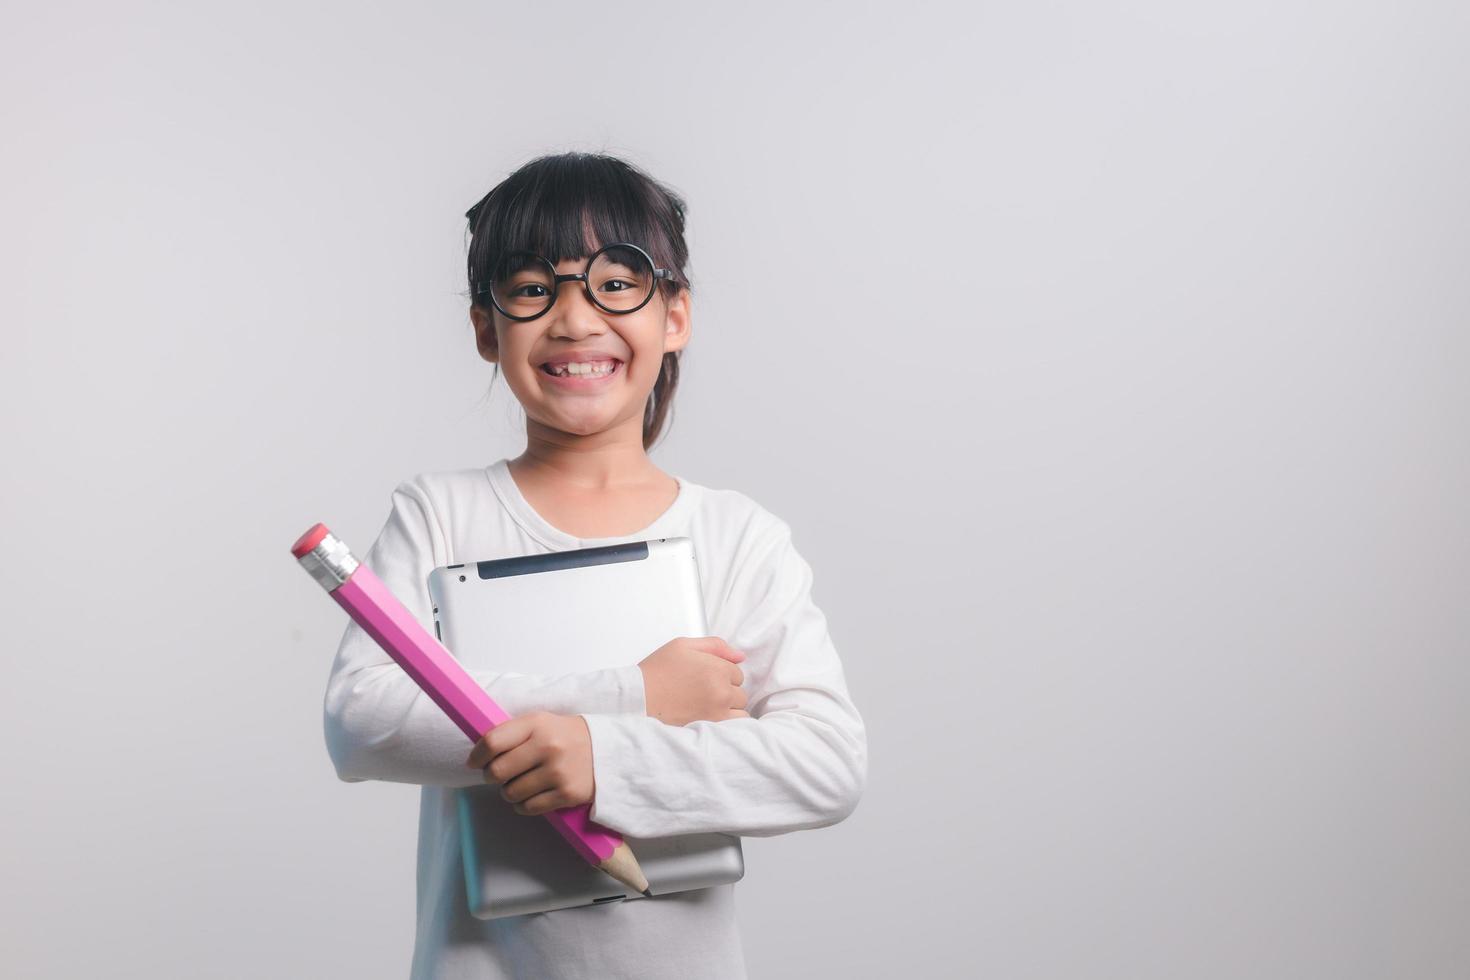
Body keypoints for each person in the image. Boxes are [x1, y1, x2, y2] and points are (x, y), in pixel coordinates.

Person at [322, 151, 868, 980]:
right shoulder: (440, 515)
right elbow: (361, 721)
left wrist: (602, 757)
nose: (575, 320)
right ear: (484, 327)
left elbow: (825, 764)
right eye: (533, 288)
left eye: (618, 282)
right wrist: (633, 695)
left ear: (675, 315)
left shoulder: (736, 535)